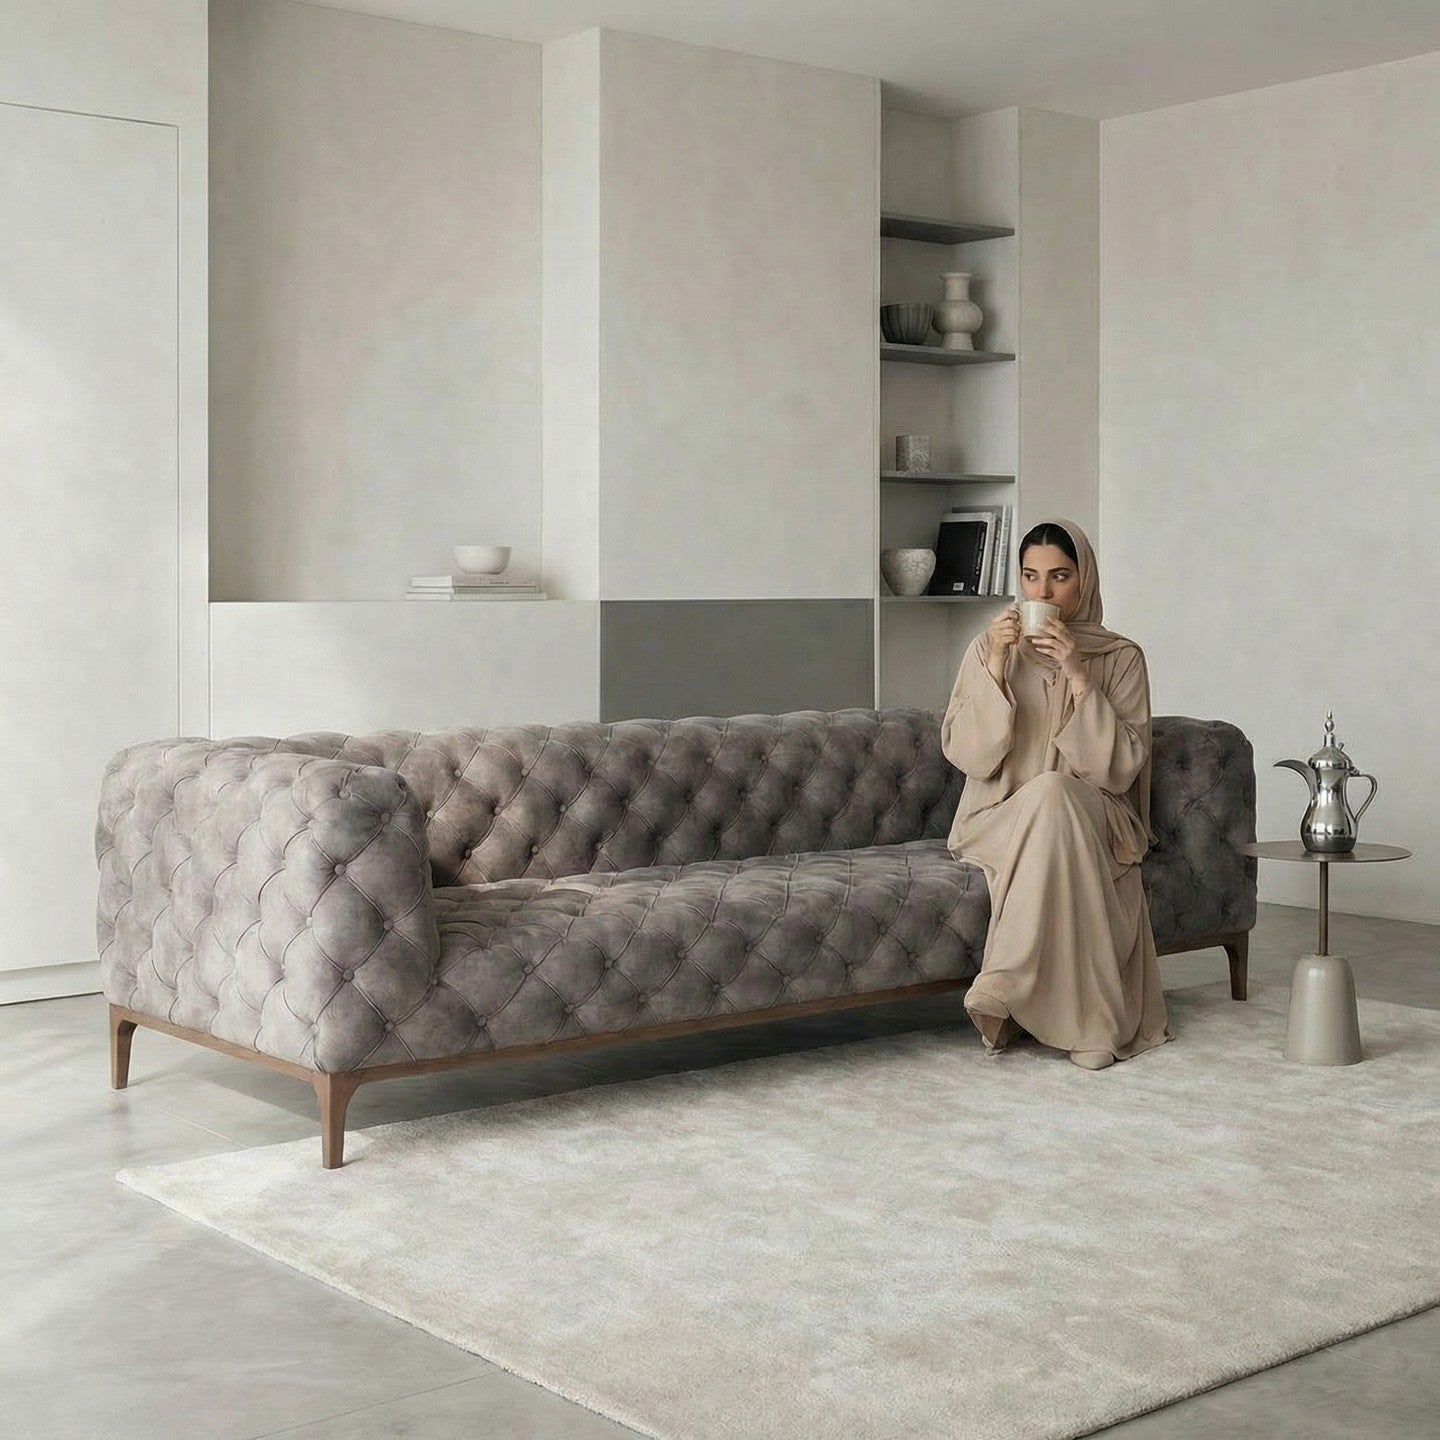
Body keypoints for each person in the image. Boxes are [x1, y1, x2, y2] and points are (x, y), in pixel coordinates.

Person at [941, 517, 1172, 1070]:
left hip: (1095, 816)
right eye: (1031, 577)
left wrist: (1076, 671)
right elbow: (972, 758)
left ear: (1084, 581)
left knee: (1054, 795)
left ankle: (1011, 983)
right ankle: (1091, 1028)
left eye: (1059, 577)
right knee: (1045, 796)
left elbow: (1118, 770)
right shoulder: (987, 649)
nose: (1043, 594)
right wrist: (997, 667)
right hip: (998, 818)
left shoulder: (1120, 658)